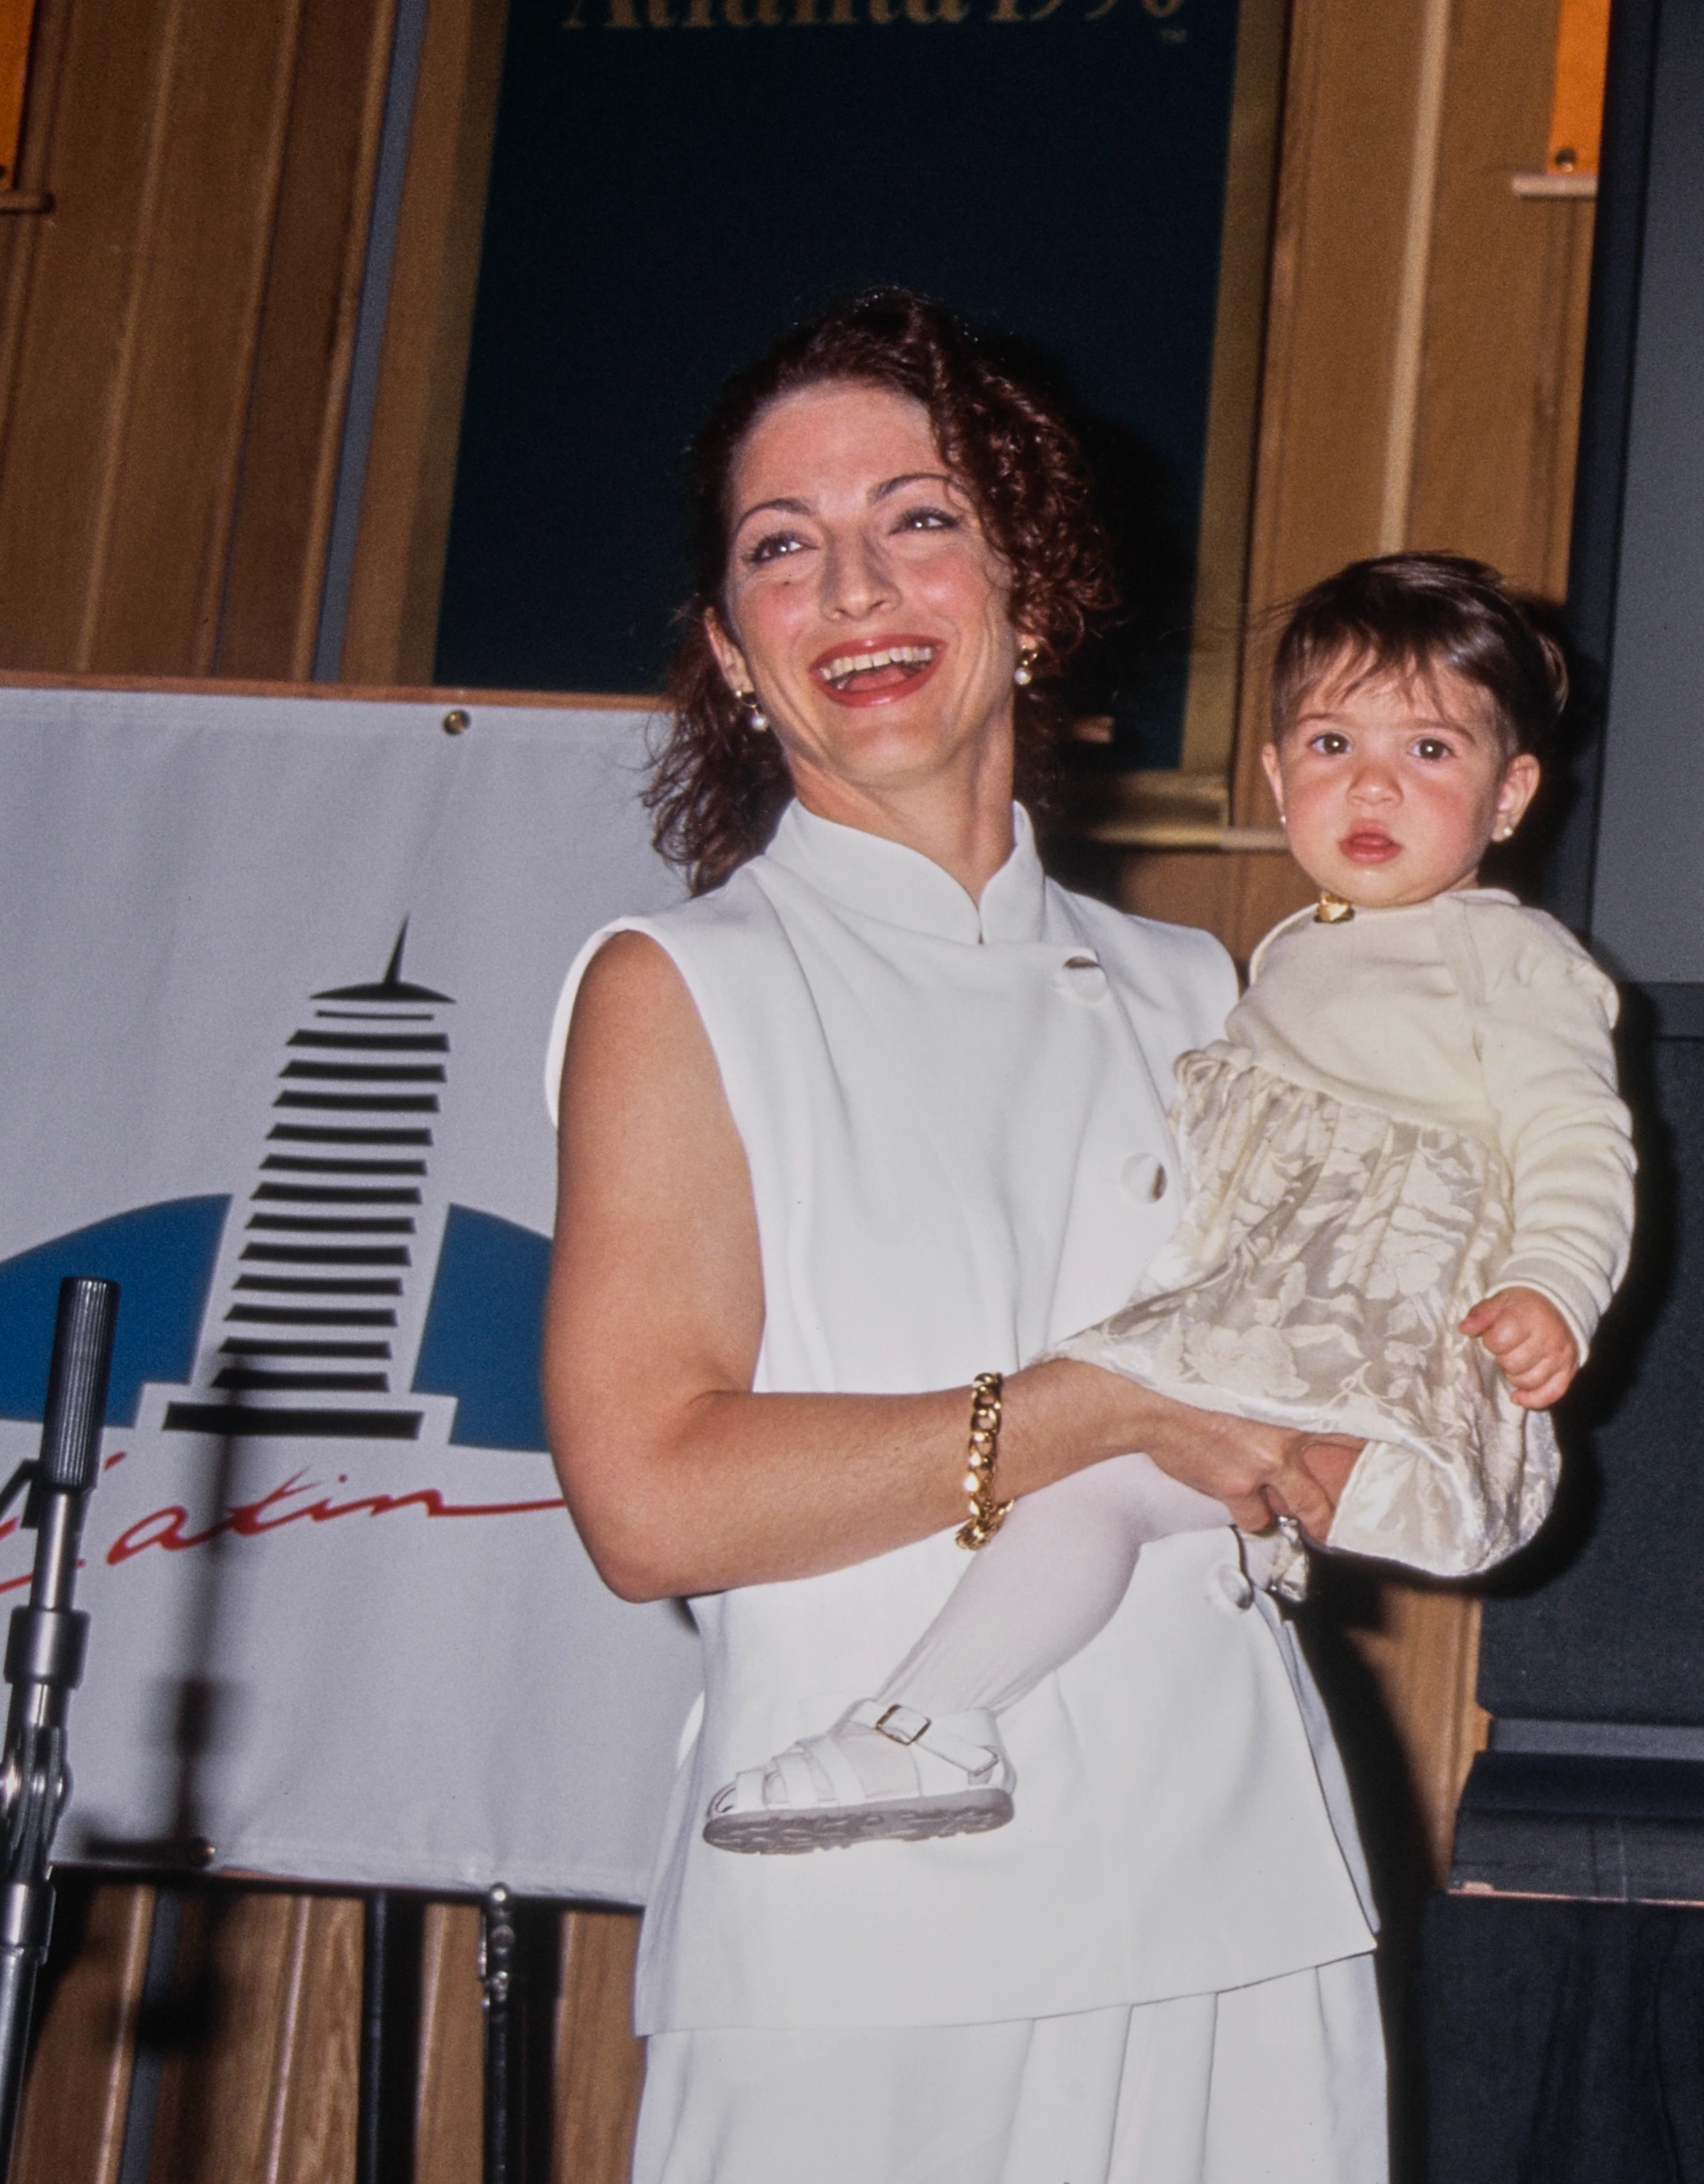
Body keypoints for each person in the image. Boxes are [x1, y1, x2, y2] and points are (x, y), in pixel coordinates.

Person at [543, 289, 1384, 2183]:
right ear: (731, 651)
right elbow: (649, 1499)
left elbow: (1298, 1427)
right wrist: (1090, 1406)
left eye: (917, 517)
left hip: (1237, 1894)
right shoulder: (683, 983)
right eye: (783, 547)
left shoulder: (1202, 986)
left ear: (1031, 587)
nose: (853, 585)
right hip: (876, 1939)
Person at [699, 551, 1634, 1855]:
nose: (1372, 784)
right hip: (1263, 1309)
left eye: (1428, 748)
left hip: (1376, 1309)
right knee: (1097, 1487)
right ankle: (935, 1720)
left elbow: (1576, 1136)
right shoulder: (1287, 953)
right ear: (1275, 777)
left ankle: (926, 1720)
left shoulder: (1509, 952)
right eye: (1332, 743)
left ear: (1510, 793)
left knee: (1094, 1475)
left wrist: (1555, 1284)